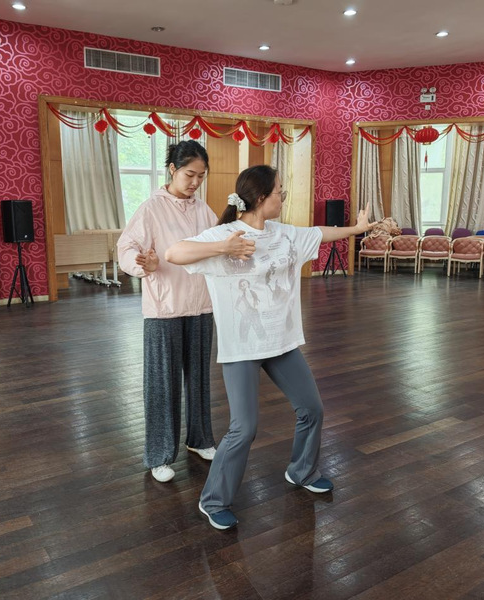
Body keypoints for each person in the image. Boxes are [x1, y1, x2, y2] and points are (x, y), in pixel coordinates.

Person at [165, 165, 373, 529]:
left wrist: (356, 229)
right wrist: (224, 247)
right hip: (243, 347)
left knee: (312, 409)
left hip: (282, 343)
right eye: (280, 192)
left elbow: (320, 233)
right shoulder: (225, 234)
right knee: (244, 428)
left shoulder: (283, 233)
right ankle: (213, 500)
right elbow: (174, 253)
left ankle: (302, 470)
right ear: (262, 197)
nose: (284, 198)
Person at [117, 140, 218, 483]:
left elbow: (216, 246)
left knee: (199, 379)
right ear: (173, 169)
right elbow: (126, 247)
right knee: (163, 384)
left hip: (201, 305)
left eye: (201, 176)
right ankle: (159, 455)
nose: (195, 182)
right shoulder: (151, 209)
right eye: (190, 174)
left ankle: (200, 439)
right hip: (164, 309)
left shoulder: (204, 211)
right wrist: (143, 265)